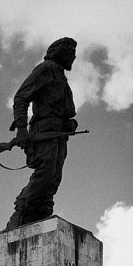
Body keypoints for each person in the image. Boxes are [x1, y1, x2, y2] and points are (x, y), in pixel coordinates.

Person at [6, 37, 78, 230]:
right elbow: (21, 97)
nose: (74, 57)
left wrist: (69, 123)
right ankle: (20, 215)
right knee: (44, 176)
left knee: (53, 179)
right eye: (70, 53)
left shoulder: (61, 76)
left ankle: (40, 216)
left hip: (59, 134)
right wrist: (21, 129)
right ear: (59, 53)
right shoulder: (46, 69)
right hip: (44, 132)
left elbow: (62, 109)